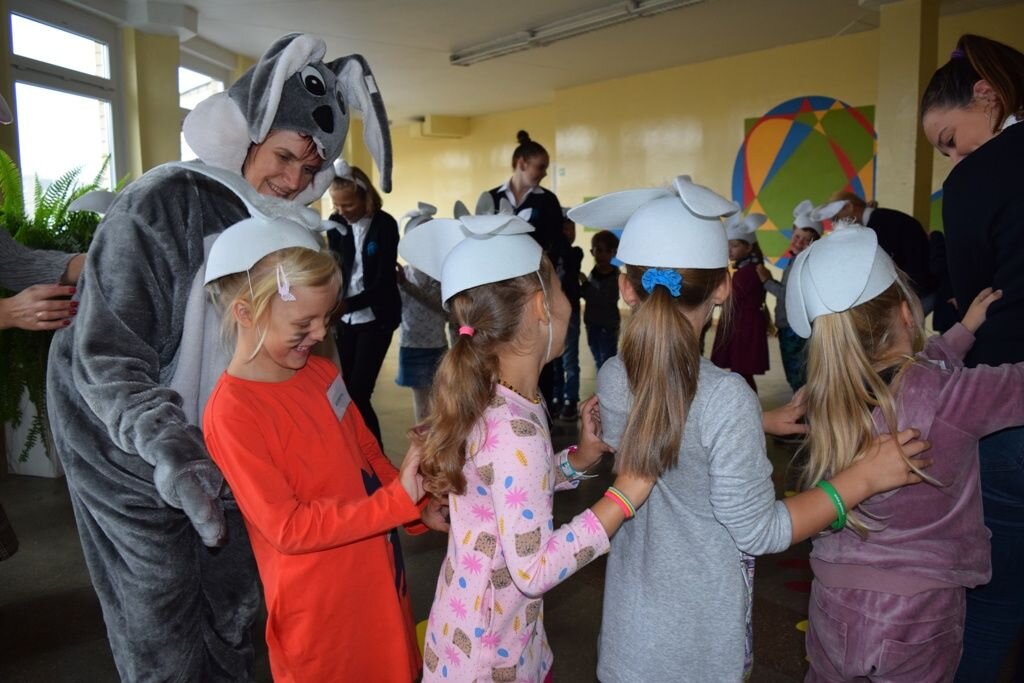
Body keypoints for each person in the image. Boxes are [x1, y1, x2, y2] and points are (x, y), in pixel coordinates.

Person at [45, 34, 394, 681]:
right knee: (159, 619)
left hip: (228, 442)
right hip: (125, 449)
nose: (294, 181)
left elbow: (314, 360)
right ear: (246, 133)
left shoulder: (296, 232)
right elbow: (108, 354)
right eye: (284, 156)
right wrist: (172, 451)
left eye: (310, 169)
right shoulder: (165, 201)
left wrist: (353, 460)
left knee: (235, 612)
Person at [568, 176, 932, 682]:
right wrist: (862, 477)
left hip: (631, 635)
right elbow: (762, 531)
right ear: (722, 286)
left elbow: (668, 424)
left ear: (627, 289)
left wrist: (753, 423)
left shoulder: (614, 376)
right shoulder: (725, 397)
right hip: (697, 649)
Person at [398, 210, 655, 682]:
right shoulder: (514, 424)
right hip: (489, 658)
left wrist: (578, 460)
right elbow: (534, 571)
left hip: (488, 631)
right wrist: (624, 496)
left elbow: (512, 489)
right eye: (560, 288)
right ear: (541, 307)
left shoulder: (499, 394)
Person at [788, 224, 1024, 682]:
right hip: (919, 610)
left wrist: (964, 331)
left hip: (833, 599)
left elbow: (908, 374)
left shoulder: (822, 399)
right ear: (906, 313)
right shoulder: (956, 396)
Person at [201, 210, 426, 681]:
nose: (322, 334)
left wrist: (416, 507)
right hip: (322, 610)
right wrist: (395, 503)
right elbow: (288, 527)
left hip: (378, 574)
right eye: (304, 323)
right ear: (246, 313)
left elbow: (366, 456)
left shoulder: (321, 372)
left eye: (327, 318)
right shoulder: (232, 413)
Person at [920, 33, 1024, 681]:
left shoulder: (977, 179)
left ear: (986, 95)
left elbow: (968, 299)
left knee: (993, 601)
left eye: (949, 140)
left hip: (1009, 411)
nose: (954, 157)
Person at [476, 130, 565, 414]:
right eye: (541, 167)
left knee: (536, 351)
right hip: (498, 291)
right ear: (522, 163)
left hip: (533, 288)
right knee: (500, 350)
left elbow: (554, 246)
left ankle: (540, 414)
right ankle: (500, 411)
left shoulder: (548, 201)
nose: (544, 173)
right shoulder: (490, 197)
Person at [327, 161, 401, 446]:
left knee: (359, 392)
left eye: (348, 204)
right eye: (337, 205)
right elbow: (337, 269)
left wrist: (346, 306)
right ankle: (355, 453)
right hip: (346, 320)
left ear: (365, 197)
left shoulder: (384, 225)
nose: (342, 211)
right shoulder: (336, 225)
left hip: (376, 318)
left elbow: (382, 283)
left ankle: (375, 456)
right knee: (343, 392)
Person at [756, 200, 825, 392]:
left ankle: (802, 405)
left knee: (797, 374)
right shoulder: (796, 259)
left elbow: (789, 296)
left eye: (806, 240)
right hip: (790, 325)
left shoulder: (803, 263)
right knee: (798, 371)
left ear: (814, 243)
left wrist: (766, 281)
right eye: (797, 236)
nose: (799, 242)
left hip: (794, 327)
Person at [828, 190, 933, 304]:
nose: (836, 224)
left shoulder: (879, 225)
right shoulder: (881, 219)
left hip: (918, 292)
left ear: (849, 207)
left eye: (836, 218)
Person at [394, 202, 448, 423]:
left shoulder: (440, 274)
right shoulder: (403, 273)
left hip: (436, 346)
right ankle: (424, 444)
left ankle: (438, 442)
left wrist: (406, 286)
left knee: (439, 405)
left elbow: (442, 307)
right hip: (411, 346)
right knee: (421, 406)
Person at [711, 210, 769, 391]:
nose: (729, 250)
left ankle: (749, 402)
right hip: (742, 323)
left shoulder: (746, 273)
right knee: (741, 370)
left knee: (741, 370)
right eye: (728, 245)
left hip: (744, 327)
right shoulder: (746, 269)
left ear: (749, 248)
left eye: (734, 246)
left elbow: (730, 297)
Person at [550, 211, 584, 420]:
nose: (569, 233)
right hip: (553, 314)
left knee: (570, 360)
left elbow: (569, 260)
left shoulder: (576, 253)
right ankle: (557, 397)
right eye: (565, 229)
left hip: (571, 314)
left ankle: (571, 399)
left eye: (572, 229)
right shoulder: (552, 256)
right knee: (555, 358)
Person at [581, 229, 621, 370]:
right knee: (598, 359)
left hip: (608, 325)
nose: (602, 255)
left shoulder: (616, 276)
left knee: (608, 361)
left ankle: (607, 382)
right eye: (599, 250)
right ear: (592, 252)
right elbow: (588, 296)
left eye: (607, 251)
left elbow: (605, 298)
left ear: (614, 253)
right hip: (592, 323)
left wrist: (585, 284)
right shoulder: (593, 273)